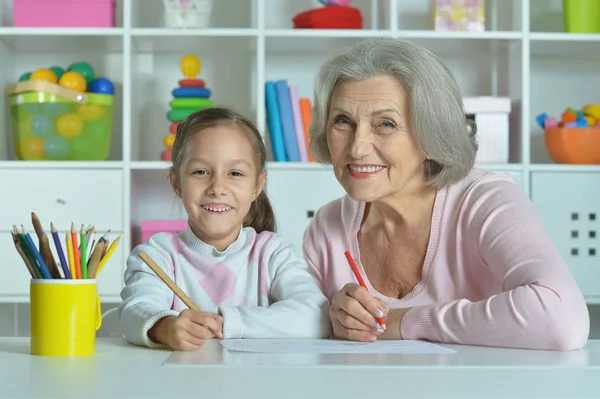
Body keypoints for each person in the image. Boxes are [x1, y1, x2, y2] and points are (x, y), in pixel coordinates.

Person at [302, 37, 590, 350]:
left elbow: (562, 320)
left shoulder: (484, 201)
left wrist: (402, 322)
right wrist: (333, 320)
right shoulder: (327, 226)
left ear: (431, 133)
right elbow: (297, 330)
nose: (357, 147)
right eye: (343, 121)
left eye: (385, 124)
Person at [119, 107, 331, 350]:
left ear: (257, 186)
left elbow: (317, 315)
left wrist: (230, 323)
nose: (217, 187)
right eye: (201, 171)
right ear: (176, 182)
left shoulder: (272, 253)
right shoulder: (157, 254)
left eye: (235, 173)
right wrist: (165, 327)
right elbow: (132, 312)